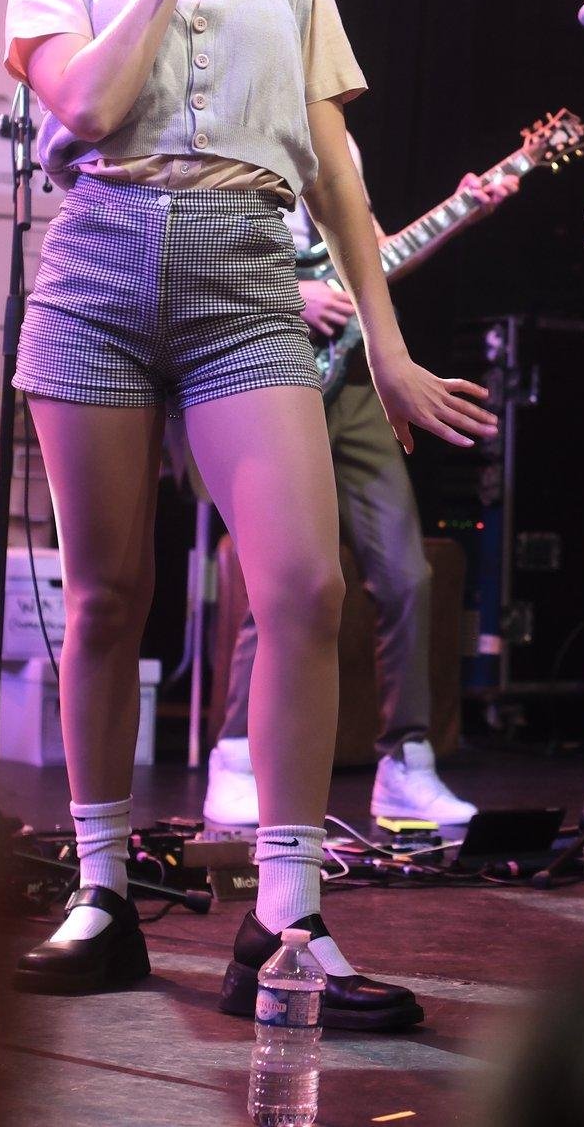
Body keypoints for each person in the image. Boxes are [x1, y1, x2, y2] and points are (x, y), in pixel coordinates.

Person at [1, 0, 496, 1028]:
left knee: (303, 581)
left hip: (245, 274)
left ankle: (285, 919)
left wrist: (386, 351)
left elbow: (336, 174)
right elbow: (90, 112)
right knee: (110, 594)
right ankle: (101, 890)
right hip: (100, 263)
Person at [204, 140, 518, 828]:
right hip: (269, 366)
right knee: (283, 575)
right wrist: (294, 292)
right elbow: (195, 252)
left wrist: (462, 211)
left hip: (353, 383)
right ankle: (234, 756)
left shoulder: (339, 135)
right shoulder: (233, 111)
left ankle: (408, 766)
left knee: (408, 575)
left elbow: (369, 255)